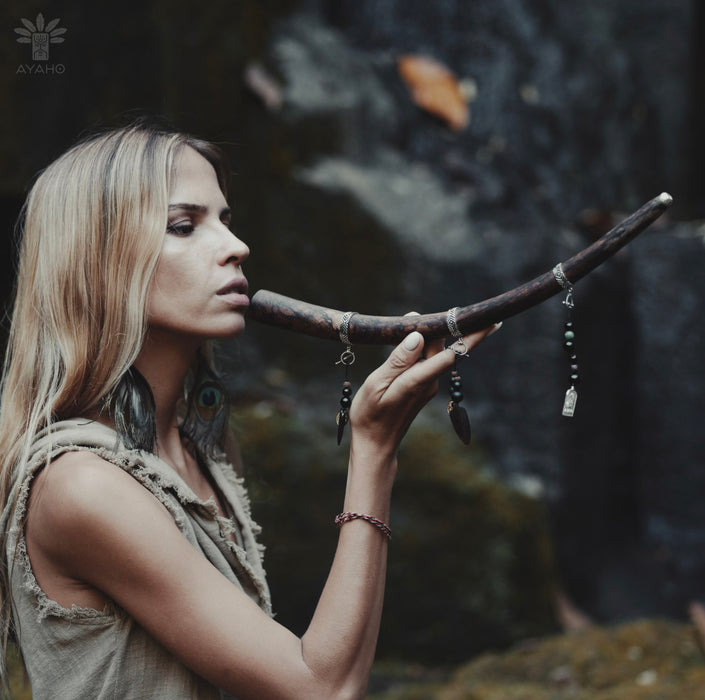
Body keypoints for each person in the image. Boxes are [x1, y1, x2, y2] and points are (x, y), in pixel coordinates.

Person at [0, 122, 497, 699]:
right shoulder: (82, 485)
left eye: (225, 220)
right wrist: (376, 449)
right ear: (99, 263)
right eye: (184, 226)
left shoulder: (192, 452)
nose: (236, 247)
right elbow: (324, 690)